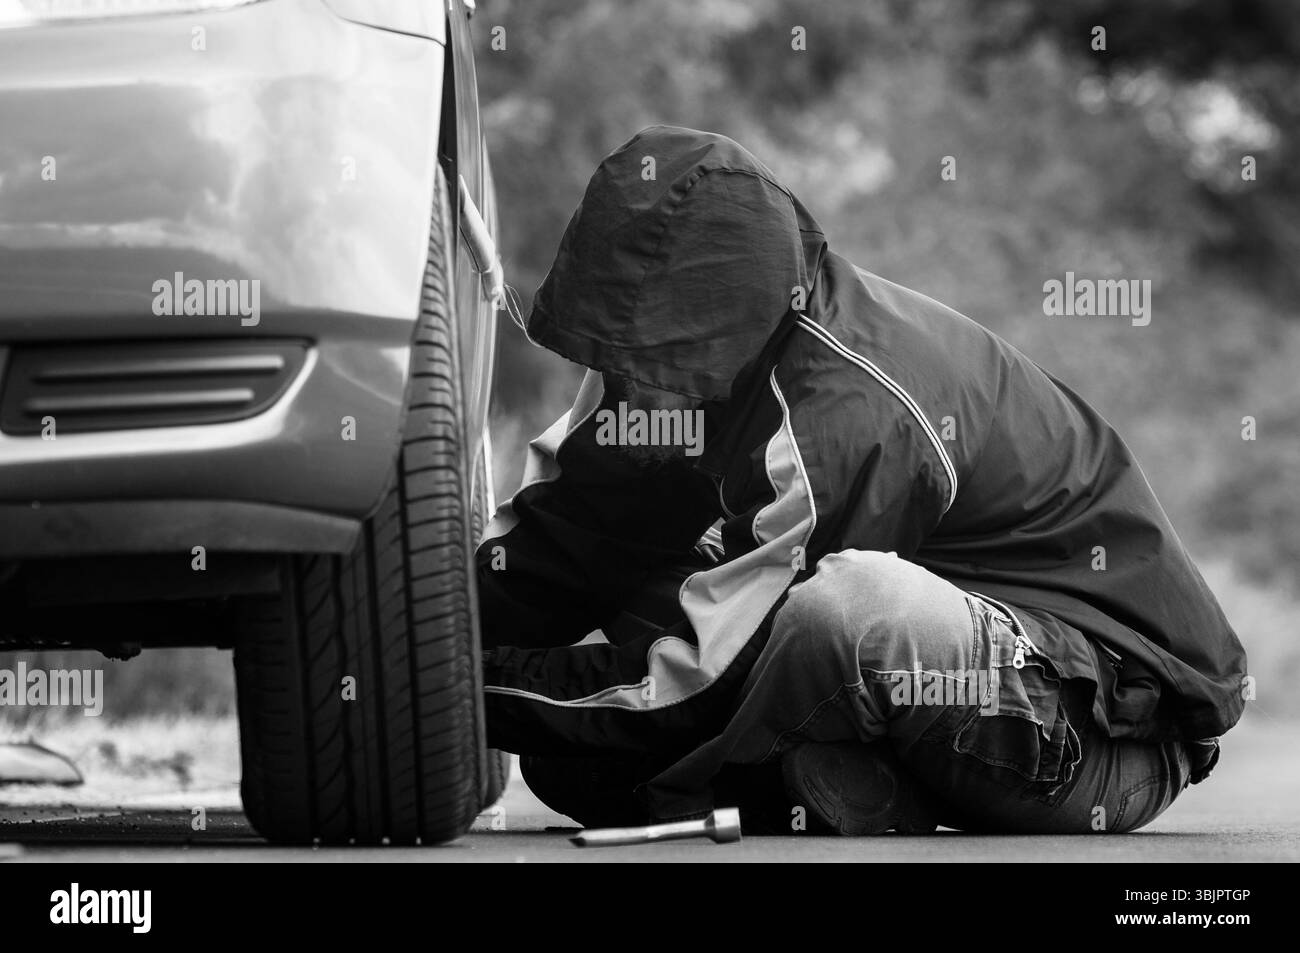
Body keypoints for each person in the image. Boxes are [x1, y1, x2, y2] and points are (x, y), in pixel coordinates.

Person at [475, 125, 1247, 834]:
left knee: (851, 605)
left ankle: (769, 782)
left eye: (643, 361)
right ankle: (852, 786)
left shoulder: (846, 413)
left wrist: (453, 691)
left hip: (1097, 734)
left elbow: (705, 674)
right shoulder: (673, 371)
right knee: (567, 754)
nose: (622, 386)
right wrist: (413, 641)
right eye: (611, 355)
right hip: (947, 706)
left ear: (718, 328)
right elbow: (568, 540)